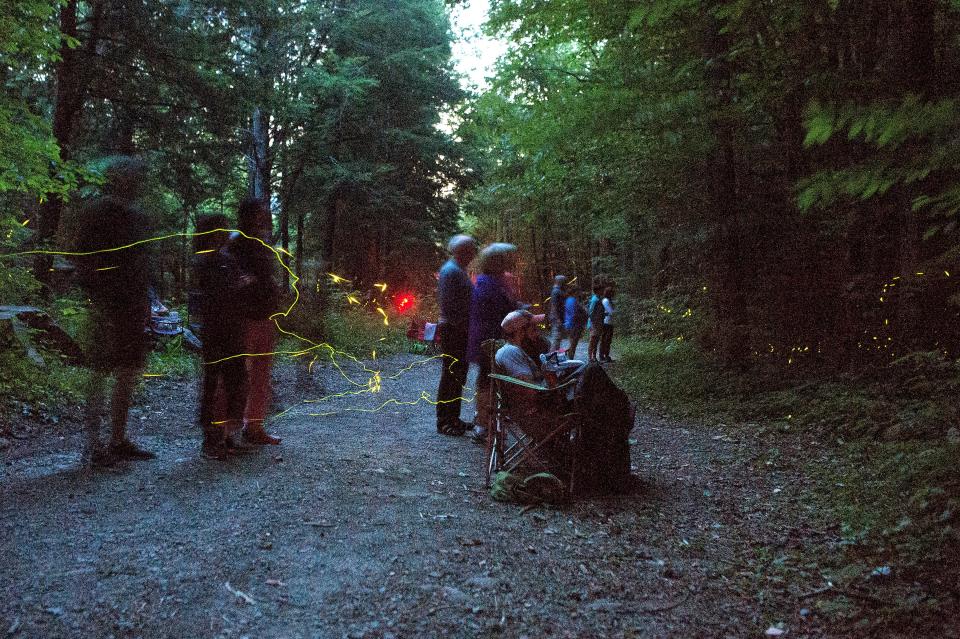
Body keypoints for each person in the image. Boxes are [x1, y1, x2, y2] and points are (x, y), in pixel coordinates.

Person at [72, 157, 156, 468]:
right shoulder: (99, 212)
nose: (135, 181)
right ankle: (94, 446)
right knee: (101, 371)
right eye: (129, 175)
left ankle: (118, 440)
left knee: (128, 371)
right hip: (108, 303)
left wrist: (148, 298)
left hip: (132, 304)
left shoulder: (136, 216)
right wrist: (98, 297)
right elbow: (84, 257)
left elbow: (143, 262)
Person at [190, 214, 250, 459]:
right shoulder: (205, 261)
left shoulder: (225, 259)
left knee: (235, 380)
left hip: (230, 329)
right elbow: (211, 295)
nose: (227, 233)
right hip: (215, 330)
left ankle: (226, 436)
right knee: (214, 383)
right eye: (223, 229)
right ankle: (212, 439)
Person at [230, 197, 282, 445]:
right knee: (239, 375)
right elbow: (233, 278)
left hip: (265, 317)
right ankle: (229, 430)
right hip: (245, 318)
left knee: (262, 374)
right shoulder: (235, 244)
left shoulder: (262, 243)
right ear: (247, 215)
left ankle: (254, 427)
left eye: (265, 214)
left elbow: (265, 276)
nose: (264, 218)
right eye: (260, 213)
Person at [467, 242, 521, 442]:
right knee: (487, 380)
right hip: (488, 340)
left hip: (493, 338)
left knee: (490, 380)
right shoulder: (487, 284)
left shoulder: (496, 282)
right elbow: (497, 313)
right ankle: (482, 423)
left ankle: (486, 418)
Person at [435, 234, 477, 436]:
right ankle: (444, 421)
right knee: (451, 375)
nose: (474, 253)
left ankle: (453, 417)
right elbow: (450, 305)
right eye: (471, 250)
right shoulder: (452, 271)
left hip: (459, 329)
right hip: (454, 330)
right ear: (462, 251)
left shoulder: (457, 270)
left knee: (458, 375)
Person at [564, 286, 588, 359]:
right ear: (575, 292)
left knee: (572, 343)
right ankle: (570, 359)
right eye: (579, 292)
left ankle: (568, 356)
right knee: (573, 344)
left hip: (568, 324)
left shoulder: (568, 300)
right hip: (574, 325)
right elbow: (576, 314)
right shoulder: (574, 301)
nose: (580, 293)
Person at [586, 277, 605, 362]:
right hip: (594, 324)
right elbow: (590, 312)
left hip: (599, 322)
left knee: (596, 340)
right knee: (592, 340)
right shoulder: (595, 300)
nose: (603, 291)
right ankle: (590, 357)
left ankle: (594, 357)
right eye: (602, 290)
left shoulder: (599, 299)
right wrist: (593, 323)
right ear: (597, 291)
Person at [548, 275, 568, 352]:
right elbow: (554, 306)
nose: (565, 284)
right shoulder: (556, 291)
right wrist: (558, 319)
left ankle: (556, 355)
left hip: (559, 317)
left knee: (558, 339)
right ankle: (552, 356)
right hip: (556, 318)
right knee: (556, 338)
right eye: (564, 282)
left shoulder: (557, 291)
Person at [599, 286, 616, 363]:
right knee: (605, 339)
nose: (613, 294)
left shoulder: (609, 300)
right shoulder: (606, 301)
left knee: (607, 340)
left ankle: (605, 355)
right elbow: (611, 312)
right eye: (612, 292)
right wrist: (615, 312)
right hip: (606, 322)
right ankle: (603, 355)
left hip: (609, 322)